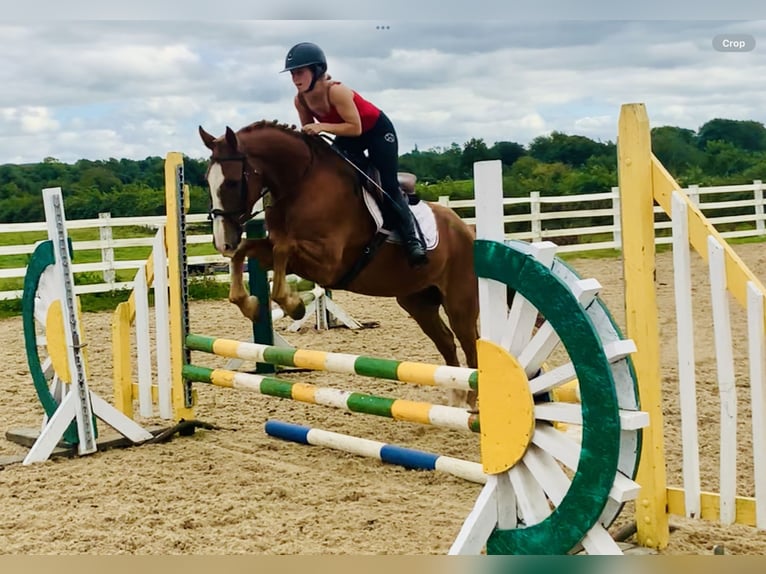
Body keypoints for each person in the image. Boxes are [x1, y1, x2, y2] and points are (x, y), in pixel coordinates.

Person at [281, 41, 428, 267]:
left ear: (317, 70)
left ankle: (412, 240)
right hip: (349, 134)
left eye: (300, 72)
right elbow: (312, 136)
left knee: (386, 184)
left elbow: (355, 127)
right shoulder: (300, 100)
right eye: (292, 73)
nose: (295, 78)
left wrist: (322, 127)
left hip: (377, 132)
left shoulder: (337, 91)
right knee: (337, 174)